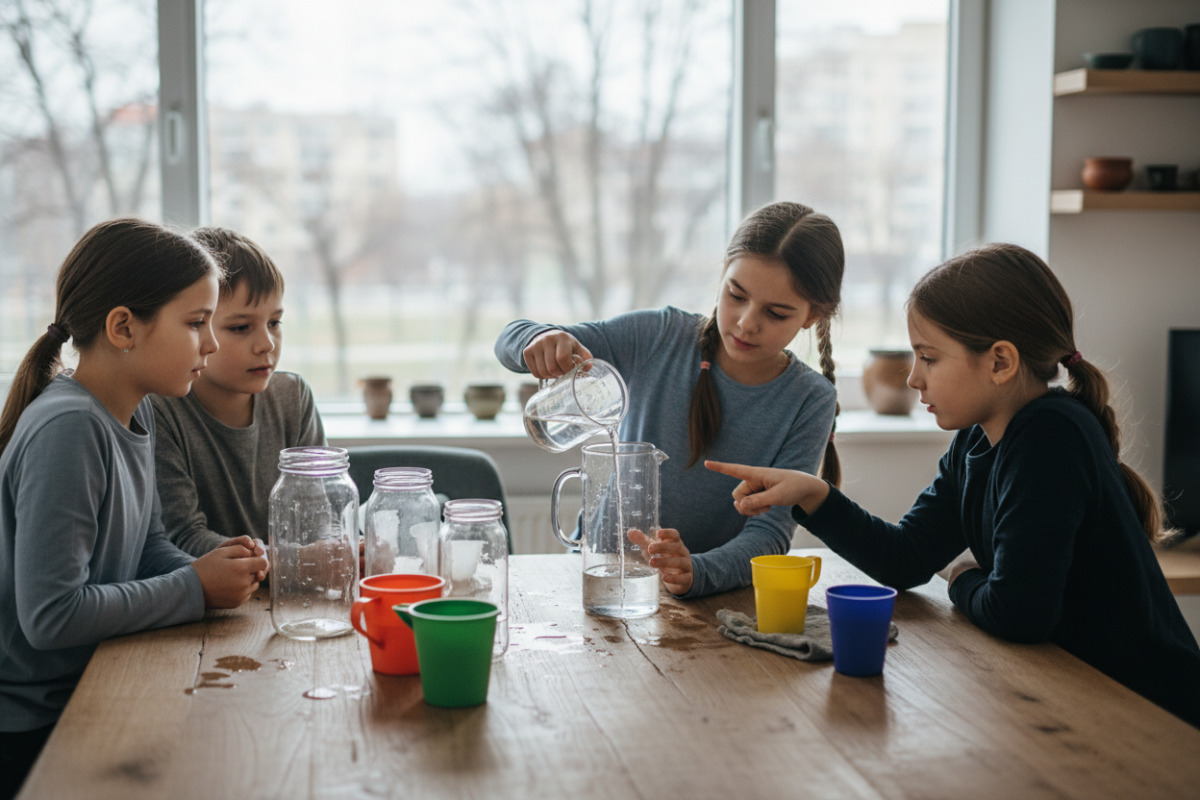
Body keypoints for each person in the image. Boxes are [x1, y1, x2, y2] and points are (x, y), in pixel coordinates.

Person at [707, 243, 1200, 729]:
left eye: (929, 357)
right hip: (1080, 696)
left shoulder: (1050, 436)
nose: (914, 378)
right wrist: (812, 494)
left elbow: (1019, 614)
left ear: (1000, 362)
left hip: (1149, 713)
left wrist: (962, 578)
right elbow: (906, 557)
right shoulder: (976, 438)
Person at [0, 218, 270, 799]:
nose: (213, 343)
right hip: (34, 727)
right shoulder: (70, 428)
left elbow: (146, 545)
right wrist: (194, 588)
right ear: (123, 327)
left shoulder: (133, 411)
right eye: (196, 323)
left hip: (93, 686)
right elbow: (51, 617)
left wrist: (213, 569)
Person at [495, 201, 844, 598]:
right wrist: (535, 342)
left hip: (709, 604)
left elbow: (769, 534)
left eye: (776, 313)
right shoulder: (660, 336)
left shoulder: (810, 399)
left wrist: (697, 571)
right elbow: (510, 337)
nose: (747, 322)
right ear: (724, 274)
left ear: (813, 315)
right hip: (599, 578)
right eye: (736, 295)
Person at [151, 226, 326, 556]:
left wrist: (343, 548)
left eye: (274, 322)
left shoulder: (293, 396)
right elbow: (182, 537)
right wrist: (287, 561)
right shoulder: (161, 411)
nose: (266, 344)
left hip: (287, 593)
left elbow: (320, 521)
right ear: (195, 327)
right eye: (241, 328)